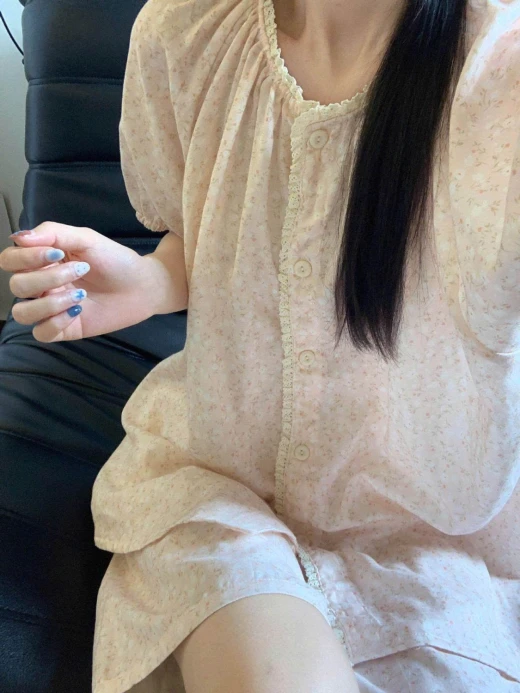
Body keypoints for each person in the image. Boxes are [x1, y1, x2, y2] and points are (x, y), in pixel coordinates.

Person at [0, 0, 519, 690]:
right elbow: (206, 231)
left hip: (435, 540)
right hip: (221, 490)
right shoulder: (181, 36)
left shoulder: (500, 70)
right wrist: (150, 281)